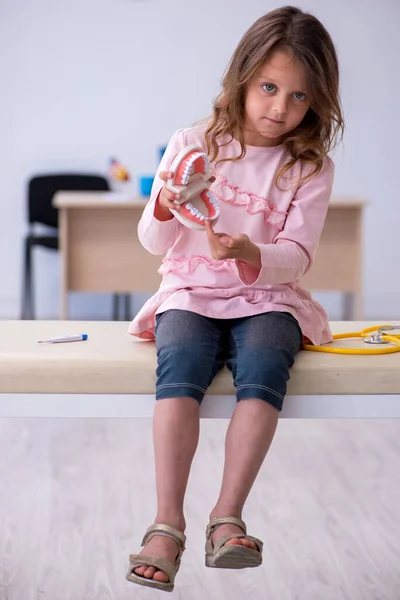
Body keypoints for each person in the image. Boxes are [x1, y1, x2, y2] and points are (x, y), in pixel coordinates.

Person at [126, 5, 344, 592]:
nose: (279, 108)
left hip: (266, 296)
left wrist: (251, 251)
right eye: (269, 88)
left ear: (319, 101)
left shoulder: (308, 167)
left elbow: (296, 257)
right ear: (242, 78)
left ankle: (227, 518)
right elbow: (154, 242)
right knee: (181, 365)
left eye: (299, 97)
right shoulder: (194, 143)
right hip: (192, 292)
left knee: (268, 360)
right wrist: (166, 205)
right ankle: (167, 521)